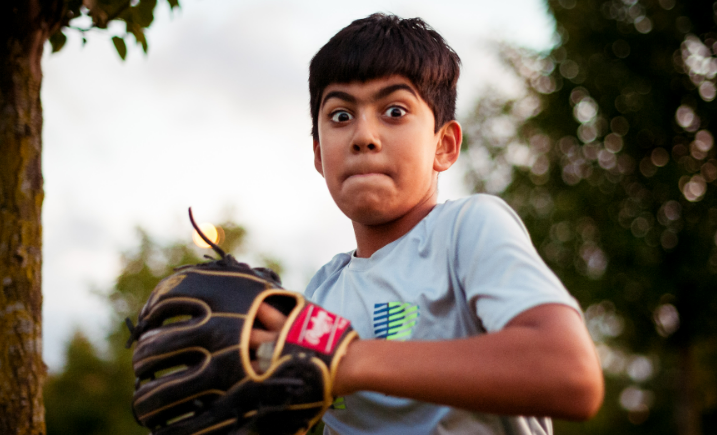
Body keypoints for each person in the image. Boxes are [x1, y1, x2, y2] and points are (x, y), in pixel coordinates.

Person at [251, 13, 603, 435]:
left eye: (394, 110)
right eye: (341, 115)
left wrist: (349, 359)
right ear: (318, 155)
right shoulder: (322, 292)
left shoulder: (466, 230)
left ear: (445, 145)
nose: (364, 135)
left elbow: (570, 373)